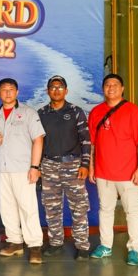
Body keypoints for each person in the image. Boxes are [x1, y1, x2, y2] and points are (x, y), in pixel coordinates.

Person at [0, 78, 45, 264]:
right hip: (0, 169)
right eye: (4, 90)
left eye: (11, 89)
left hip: (23, 169)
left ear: (17, 92)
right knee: (7, 208)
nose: (8, 93)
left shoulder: (28, 113)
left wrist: (35, 167)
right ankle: (15, 242)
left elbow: (38, 140)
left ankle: (35, 246)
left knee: (28, 207)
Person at [88, 73, 138, 266]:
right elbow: (92, 144)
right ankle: (105, 246)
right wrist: (92, 167)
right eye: (107, 85)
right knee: (105, 210)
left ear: (122, 88)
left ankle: (134, 249)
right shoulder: (96, 112)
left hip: (128, 173)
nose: (111, 88)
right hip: (103, 172)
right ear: (103, 89)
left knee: (132, 211)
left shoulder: (133, 111)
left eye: (115, 84)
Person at [38, 75, 91, 260]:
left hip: (73, 165)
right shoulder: (41, 113)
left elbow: (86, 140)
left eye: (60, 87)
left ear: (66, 91)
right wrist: (37, 166)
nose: (56, 90)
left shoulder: (76, 111)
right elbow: (37, 142)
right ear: (47, 91)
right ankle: (56, 243)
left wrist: (85, 164)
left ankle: (82, 245)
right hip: (49, 165)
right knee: (51, 207)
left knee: (79, 207)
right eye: (53, 87)